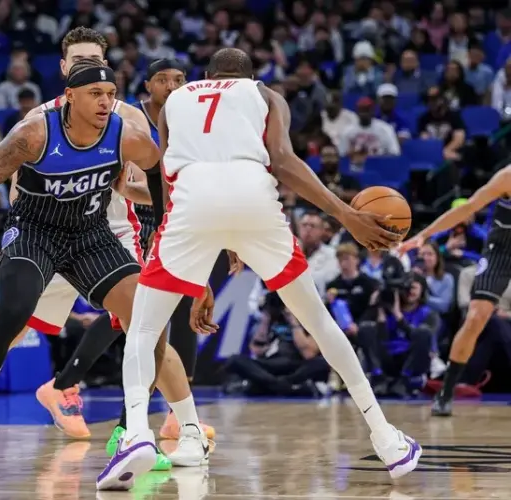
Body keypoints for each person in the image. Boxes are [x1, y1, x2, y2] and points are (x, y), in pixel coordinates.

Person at [98, 48, 420, 491]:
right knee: (320, 323)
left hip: (190, 207)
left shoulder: (174, 102)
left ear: (206, 76)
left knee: (144, 329)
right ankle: (387, 440)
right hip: (254, 201)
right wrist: (346, 214)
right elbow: (282, 161)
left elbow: (171, 183)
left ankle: (136, 434)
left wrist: (197, 270)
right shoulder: (265, 95)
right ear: (250, 77)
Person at [0, 29, 175, 470]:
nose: (105, 102)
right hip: (34, 232)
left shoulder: (127, 134)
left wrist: (162, 227)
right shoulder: (34, 132)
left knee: (150, 318)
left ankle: (131, 431)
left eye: (110, 94)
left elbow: (158, 173)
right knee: (15, 311)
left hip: (90, 234)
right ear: (69, 95)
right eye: (95, 94)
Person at [104, 58, 215, 461]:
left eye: (179, 79)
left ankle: (157, 426)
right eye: (164, 79)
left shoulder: (195, 128)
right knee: (142, 327)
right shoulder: (133, 124)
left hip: (181, 228)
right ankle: (147, 427)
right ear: (147, 85)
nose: (172, 86)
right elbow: (136, 186)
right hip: (146, 228)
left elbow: (199, 190)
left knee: (155, 330)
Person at [400, 165, 511, 416]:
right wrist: (424, 235)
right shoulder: (507, 177)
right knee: (475, 318)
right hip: (502, 251)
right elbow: (466, 209)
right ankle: (447, 390)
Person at [357, 272, 440, 398]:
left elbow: (423, 340)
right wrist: (378, 311)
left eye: (413, 288)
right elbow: (371, 337)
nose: (409, 292)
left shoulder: (429, 314)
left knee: (423, 332)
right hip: (388, 359)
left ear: (422, 290)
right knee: (366, 328)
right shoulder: (386, 309)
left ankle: (404, 380)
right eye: (406, 288)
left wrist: (399, 318)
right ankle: (378, 377)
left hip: (411, 360)